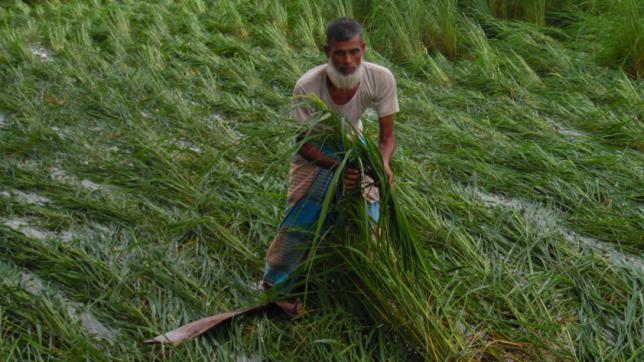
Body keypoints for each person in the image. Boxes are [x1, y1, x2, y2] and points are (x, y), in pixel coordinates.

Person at [262, 18, 399, 291]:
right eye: (339, 52)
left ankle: (362, 276)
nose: (347, 60)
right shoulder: (308, 85)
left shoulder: (381, 78)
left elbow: (387, 137)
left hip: (352, 141)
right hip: (316, 147)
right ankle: (276, 285)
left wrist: (381, 163)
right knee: (303, 211)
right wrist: (338, 167)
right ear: (327, 52)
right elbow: (303, 144)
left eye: (354, 52)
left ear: (363, 49)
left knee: (369, 208)